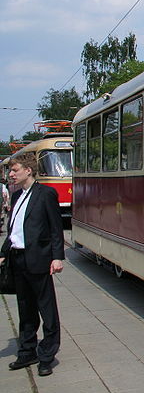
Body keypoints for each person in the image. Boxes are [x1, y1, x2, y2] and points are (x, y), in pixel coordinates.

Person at [0, 152, 64, 377]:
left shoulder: (46, 194)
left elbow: (56, 228)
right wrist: (4, 253)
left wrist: (57, 257)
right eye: (10, 171)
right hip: (18, 260)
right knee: (25, 308)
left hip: (38, 260)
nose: (11, 174)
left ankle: (47, 354)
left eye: (15, 170)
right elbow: (14, 230)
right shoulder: (17, 196)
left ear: (28, 170)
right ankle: (27, 351)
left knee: (46, 309)